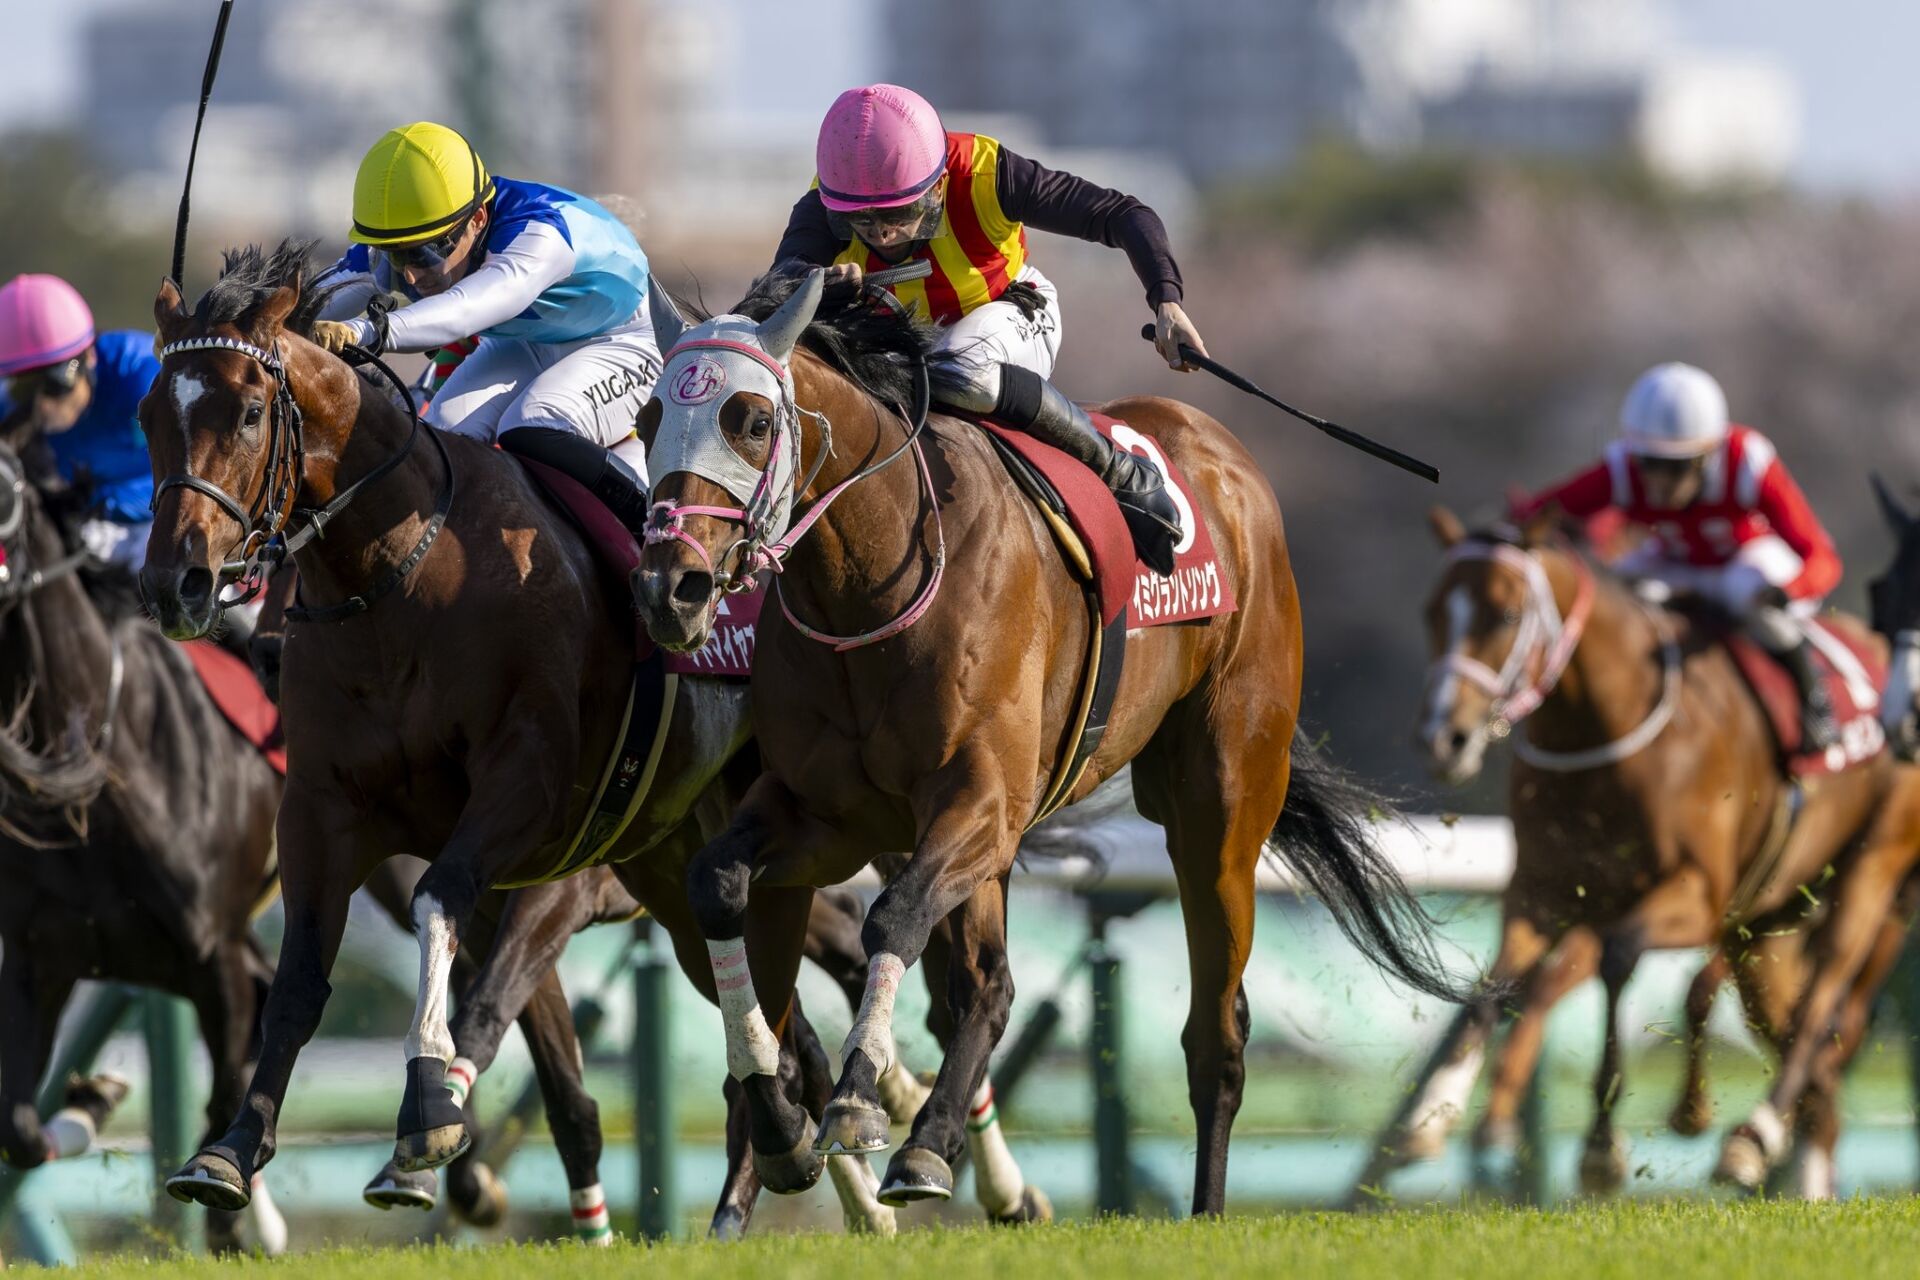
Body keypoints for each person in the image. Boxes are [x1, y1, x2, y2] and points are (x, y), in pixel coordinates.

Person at [773, 84, 1203, 574]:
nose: (879, 232)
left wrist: (1166, 299)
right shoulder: (824, 205)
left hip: (1011, 312)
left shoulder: (986, 173)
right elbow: (777, 289)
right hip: (904, 345)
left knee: (960, 367)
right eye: (859, 218)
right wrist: (815, 285)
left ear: (936, 186)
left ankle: (1120, 471)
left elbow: (1123, 214)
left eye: (896, 213)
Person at [312, 122, 658, 535]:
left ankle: (649, 523)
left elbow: (462, 312)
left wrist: (362, 332)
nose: (410, 274)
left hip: (623, 339)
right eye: (394, 255)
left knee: (533, 421)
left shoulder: (537, 234)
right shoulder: (426, 233)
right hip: (530, 342)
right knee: (438, 439)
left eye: (423, 253)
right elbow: (312, 297)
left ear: (477, 219)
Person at [1516, 362, 1843, 749]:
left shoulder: (1747, 462)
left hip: (1744, 559)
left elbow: (1821, 555)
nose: (1656, 481)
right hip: (1673, 561)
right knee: (1609, 590)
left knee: (1758, 601)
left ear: (1707, 456)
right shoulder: (1623, 468)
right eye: (1648, 464)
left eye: (1674, 467)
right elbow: (1546, 509)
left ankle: (1815, 703)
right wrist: (1510, 526)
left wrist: (1791, 589)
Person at [0, 273, 160, 568]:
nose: (44, 407)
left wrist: (101, 501)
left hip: (159, 522)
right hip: (78, 529)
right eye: (24, 390)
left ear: (88, 357)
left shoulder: (144, 377)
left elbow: (199, 474)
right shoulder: (5, 408)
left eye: (54, 384)